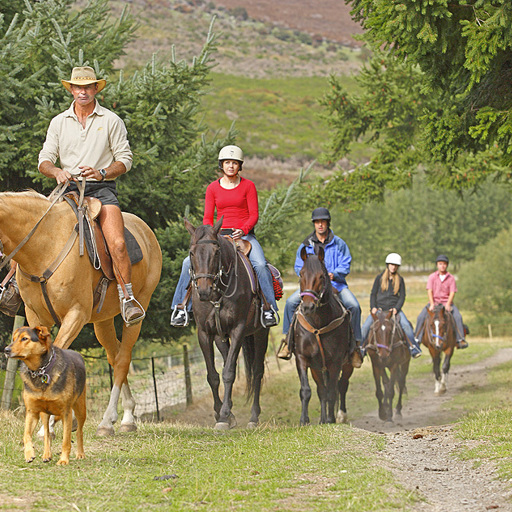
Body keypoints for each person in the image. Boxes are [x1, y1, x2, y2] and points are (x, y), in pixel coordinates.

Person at [38, 66, 145, 326]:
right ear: (71, 90)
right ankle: (13, 288)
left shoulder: (111, 120)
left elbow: (125, 160)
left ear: (96, 88)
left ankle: (127, 299)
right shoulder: (58, 122)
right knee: (34, 229)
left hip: (101, 189)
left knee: (118, 244)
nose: (82, 91)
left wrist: (102, 172)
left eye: (87, 87)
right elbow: (44, 160)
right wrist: (57, 172)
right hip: (67, 188)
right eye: (78, 87)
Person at [170, 145, 279, 328]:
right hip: (218, 236)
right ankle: (180, 308)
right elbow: (207, 217)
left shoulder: (248, 186)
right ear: (222, 165)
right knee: (187, 263)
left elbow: (254, 215)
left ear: (239, 165)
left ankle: (269, 309)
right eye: (227, 162)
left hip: (244, 237)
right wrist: (210, 233)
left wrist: (243, 230)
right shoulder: (212, 188)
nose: (231, 166)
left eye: (234, 163)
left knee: (260, 264)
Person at [277, 207, 363, 367]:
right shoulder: (305, 245)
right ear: (314, 224)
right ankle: (288, 343)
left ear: (328, 223)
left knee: (354, 306)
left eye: (323, 221)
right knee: (290, 303)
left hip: (336, 285)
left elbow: (346, 263)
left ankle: (356, 347)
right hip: (312, 287)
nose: (320, 225)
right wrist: (309, 275)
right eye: (317, 222)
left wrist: (334, 274)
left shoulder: (339, 244)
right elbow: (298, 266)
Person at [361, 253, 422, 358]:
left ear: (398, 267)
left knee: (406, 326)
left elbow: (402, 296)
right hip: (379, 310)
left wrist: (396, 309)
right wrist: (373, 307)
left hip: (393, 310)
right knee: (365, 327)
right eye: (391, 264)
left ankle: (413, 347)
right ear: (387, 265)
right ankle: (360, 349)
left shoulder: (400, 280)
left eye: (395, 265)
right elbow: (373, 294)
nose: (393, 267)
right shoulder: (379, 278)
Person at [414, 254, 468, 349]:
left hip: (446, 303)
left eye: (444, 264)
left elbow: (452, 292)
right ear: (437, 265)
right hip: (434, 302)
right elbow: (429, 290)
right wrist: (431, 303)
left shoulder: (451, 278)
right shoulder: (432, 277)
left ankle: (460, 339)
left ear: (447, 265)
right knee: (421, 317)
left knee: (458, 317)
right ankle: (417, 339)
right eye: (440, 264)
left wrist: (448, 304)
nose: (442, 266)